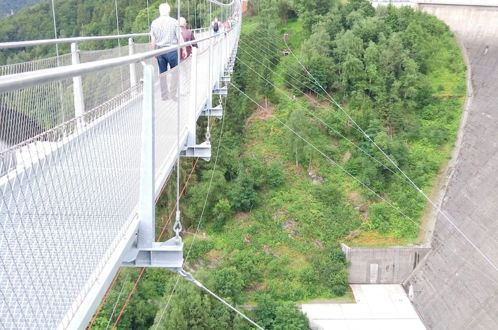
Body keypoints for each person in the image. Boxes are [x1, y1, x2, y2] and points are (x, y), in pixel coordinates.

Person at [150, 3, 186, 100]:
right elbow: (179, 37)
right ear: (169, 11)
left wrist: (154, 52)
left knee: (162, 73)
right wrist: (183, 49)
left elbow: (153, 40)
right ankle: (173, 95)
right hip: (172, 50)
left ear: (160, 11)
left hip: (160, 50)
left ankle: (164, 96)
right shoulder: (174, 22)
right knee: (175, 72)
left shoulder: (154, 23)